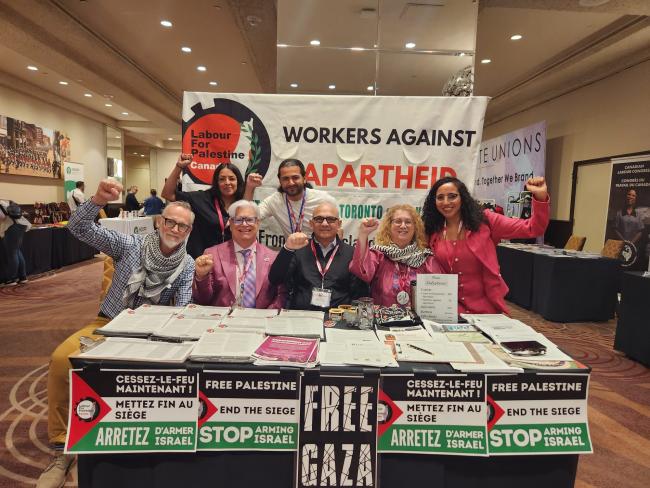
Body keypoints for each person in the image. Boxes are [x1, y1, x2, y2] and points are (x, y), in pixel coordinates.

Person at [37, 179, 195, 488]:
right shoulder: (130, 245)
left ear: (189, 232)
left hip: (150, 333)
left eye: (182, 227)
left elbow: (184, 305)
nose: (175, 229)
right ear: (160, 221)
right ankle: (61, 449)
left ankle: (114, 448)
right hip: (107, 324)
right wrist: (96, 200)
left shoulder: (186, 264)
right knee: (60, 360)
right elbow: (80, 229)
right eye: (171, 222)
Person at [422, 176, 549, 315]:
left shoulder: (486, 221)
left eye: (452, 196)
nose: (446, 202)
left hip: (485, 309)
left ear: (463, 198)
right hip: (447, 309)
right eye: (440, 197)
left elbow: (533, 228)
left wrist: (540, 198)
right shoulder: (432, 229)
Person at [268, 201, 369, 310]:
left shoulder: (351, 253)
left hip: (338, 320)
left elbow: (360, 294)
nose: (324, 223)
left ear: (339, 224)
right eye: (319, 219)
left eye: (330, 219)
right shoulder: (299, 249)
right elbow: (275, 279)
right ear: (311, 224)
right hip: (302, 318)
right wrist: (287, 249)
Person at [193, 200, 286, 308]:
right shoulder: (211, 255)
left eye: (250, 220)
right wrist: (202, 276)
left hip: (261, 320)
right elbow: (202, 300)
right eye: (238, 220)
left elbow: (281, 295)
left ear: (258, 223)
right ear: (231, 224)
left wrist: (265, 317)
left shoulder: (273, 257)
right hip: (223, 321)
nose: (244, 224)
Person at [350, 204, 441, 306]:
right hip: (383, 320)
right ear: (389, 227)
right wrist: (363, 234)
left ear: (415, 227)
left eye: (408, 222)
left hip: (418, 320)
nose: (403, 226)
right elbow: (361, 271)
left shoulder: (426, 258)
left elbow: (439, 293)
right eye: (398, 221)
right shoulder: (379, 255)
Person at [162, 154, 245, 258]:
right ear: (216, 182)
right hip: (200, 262)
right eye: (222, 179)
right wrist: (179, 167)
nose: (227, 182)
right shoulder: (201, 199)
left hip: (230, 264)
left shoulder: (242, 204)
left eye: (232, 178)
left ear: (238, 182)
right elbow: (168, 194)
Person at [245, 158, 336, 238]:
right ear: (280, 181)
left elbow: (338, 230)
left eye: (295, 178)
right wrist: (249, 187)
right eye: (285, 179)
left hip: (320, 252)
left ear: (304, 178)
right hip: (291, 251)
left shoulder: (324, 199)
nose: (291, 183)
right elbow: (247, 216)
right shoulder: (274, 201)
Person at [0, 200, 31, 286]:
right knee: (16, 251)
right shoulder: (4, 202)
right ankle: (22, 277)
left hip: (12, 227)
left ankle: (11, 279)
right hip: (20, 225)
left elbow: (2, 218)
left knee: (12, 253)